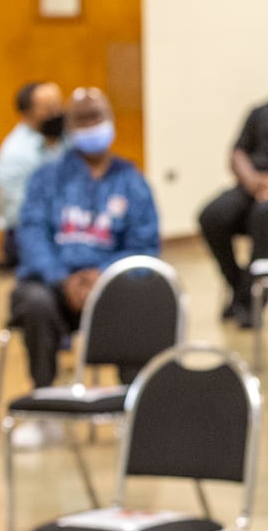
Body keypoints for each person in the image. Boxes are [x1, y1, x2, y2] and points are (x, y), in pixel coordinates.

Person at [10, 88, 159, 389]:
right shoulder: (47, 178)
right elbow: (31, 234)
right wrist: (63, 280)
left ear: (111, 121)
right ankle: (44, 398)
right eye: (82, 119)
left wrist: (102, 276)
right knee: (34, 300)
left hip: (112, 289)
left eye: (97, 117)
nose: (91, 125)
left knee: (145, 296)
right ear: (69, 127)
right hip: (55, 289)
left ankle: (130, 401)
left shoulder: (131, 180)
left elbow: (144, 246)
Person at [198, 41, 268, 327]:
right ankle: (241, 287)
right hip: (255, 185)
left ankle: (252, 301)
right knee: (213, 215)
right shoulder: (262, 112)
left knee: (266, 215)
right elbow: (238, 152)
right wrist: (253, 181)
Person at [0, 81, 65, 267]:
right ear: (27, 113)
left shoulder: (68, 141)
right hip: (29, 233)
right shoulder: (15, 153)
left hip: (71, 228)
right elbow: (18, 214)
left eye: (58, 105)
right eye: (48, 107)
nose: (56, 113)